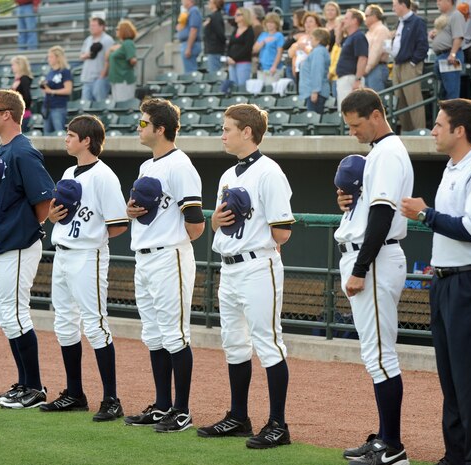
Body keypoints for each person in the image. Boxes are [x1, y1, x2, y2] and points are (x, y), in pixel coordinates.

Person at [400, 98, 471, 465]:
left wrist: (425, 214)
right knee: (450, 377)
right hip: (443, 281)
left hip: (470, 282)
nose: (433, 130)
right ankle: (455, 455)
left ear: (460, 130)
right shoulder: (452, 166)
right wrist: (428, 214)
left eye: (439, 125)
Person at [197, 103, 295, 449]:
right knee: (235, 344)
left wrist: (259, 236)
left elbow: (283, 231)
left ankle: (278, 425)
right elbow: (216, 222)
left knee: (268, 343)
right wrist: (214, 222)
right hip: (230, 266)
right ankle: (239, 416)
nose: (222, 134)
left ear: (247, 132)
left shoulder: (270, 172)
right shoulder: (228, 175)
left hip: (258, 265)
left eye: (227, 128)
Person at [336, 89, 414, 465]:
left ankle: (393, 447)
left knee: (381, 356)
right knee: (375, 354)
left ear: (376, 114)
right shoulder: (379, 153)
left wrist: (360, 268)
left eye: (356, 124)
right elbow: (372, 207)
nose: (353, 132)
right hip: (375, 257)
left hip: (377, 260)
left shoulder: (387, 152)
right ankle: (384, 438)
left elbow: (382, 215)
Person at [41, 114, 129, 422]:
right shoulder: (69, 170)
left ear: (86, 140)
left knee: (95, 324)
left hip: (87, 256)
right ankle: (75, 393)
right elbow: (59, 214)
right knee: (64, 324)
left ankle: (111, 399)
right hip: (62, 252)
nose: (65, 138)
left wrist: (92, 235)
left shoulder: (104, 176)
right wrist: (53, 218)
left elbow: (118, 224)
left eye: (70, 134)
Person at [124, 98, 205, 433]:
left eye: (144, 123)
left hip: (170, 255)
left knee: (174, 334)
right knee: (154, 335)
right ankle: (161, 406)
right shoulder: (148, 166)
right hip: (144, 255)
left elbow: (196, 223)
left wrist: (172, 239)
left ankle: (181, 410)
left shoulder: (180, 165)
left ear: (160, 128)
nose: (139, 128)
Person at [0, 89, 54, 409]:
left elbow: (44, 201)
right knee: (7, 318)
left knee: (16, 316)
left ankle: (34, 388)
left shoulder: (22, 151)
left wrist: (23, 230)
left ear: (7, 114)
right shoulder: (2, 150)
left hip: (16, 245)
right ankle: (23, 384)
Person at [390, 0, 428, 132]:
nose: (393, 8)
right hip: (398, 65)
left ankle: (420, 132)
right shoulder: (400, 22)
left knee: (414, 101)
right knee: (401, 102)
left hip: (409, 65)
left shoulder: (417, 21)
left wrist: (413, 63)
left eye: (395, 5)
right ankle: (406, 132)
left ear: (403, 5)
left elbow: (423, 45)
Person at [430, 0, 465, 100]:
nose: (437, 2)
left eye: (440, 0)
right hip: (441, 56)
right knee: (443, 93)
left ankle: (453, 115)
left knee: (451, 92)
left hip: (450, 56)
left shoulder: (456, 15)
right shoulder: (443, 17)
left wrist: (453, 54)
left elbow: (458, 36)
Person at [335, 9, 368, 111]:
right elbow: (338, 42)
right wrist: (340, 29)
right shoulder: (350, 37)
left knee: (350, 111)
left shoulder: (358, 36)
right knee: (345, 110)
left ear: (354, 21)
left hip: (351, 78)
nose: (343, 21)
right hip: (345, 78)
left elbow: (362, 58)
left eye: (346, 18)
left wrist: (357, 80)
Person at [80, 17, 114, 102]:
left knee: (100, 104)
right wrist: (87, 55)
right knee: (86, 106)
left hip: (99, 78)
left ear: (101, 26)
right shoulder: (88, 40)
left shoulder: (107, 40)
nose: (91, 28)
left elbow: (109, 58)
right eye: (91, 25)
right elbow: (81, 55)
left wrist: (103, 75)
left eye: (94, 25)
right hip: (87, 78)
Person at [41, 45, 72, 135]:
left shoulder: (65, 71)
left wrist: (52, 91)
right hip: (47, 106)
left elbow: (68, 90)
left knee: (59, 133)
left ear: (58, 58)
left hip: (58, 107)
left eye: (51, 57)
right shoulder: (50, 72)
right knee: (46, 135)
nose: (49, 59)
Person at [299, 27, 331, 114]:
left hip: (316, 93)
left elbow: (317, 71)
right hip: (313, 92)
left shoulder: (318, 52)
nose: (310, 41)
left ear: (318, 40)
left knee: (314, 118)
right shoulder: (318, 51)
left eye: (312, 38)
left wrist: (315, 91)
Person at [105, 19, 138, 104]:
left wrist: (132, 61)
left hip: (124, 79)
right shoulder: (122, 44)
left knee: (124, 104)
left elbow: (133, 60)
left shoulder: (128, 43)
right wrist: (111, 49)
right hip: (116, 79)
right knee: (118, 104)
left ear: (124, 31)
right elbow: (106, 58)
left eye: (118, 29)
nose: (116, 31)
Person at [253, 12, 285, 86]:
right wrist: (263, 42)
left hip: (273, 68)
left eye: (272, 23)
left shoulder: (279, 36)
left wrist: (274, 66)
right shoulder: (263, 35)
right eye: (268, 22)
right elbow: (255, 49)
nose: (269, 24)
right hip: (262, 68)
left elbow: (279, 52)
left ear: (276, 24)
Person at [226, 8, 256, 88]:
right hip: (232, 63)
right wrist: (229, 57)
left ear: (244, 16)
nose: (235, 16)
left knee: (242, 86)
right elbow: (230, 45)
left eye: (238, 15)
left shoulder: (249, 31)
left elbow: (247, 48)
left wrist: (235, 58)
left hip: (243, 62)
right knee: (233, 86)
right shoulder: (235, 30)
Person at [364, 5, 390, 93]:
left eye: (366, 16)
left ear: (374, 16)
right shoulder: (369, 31)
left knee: (375, 99)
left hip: (376, 68)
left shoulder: (381, 30)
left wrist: (366, 69)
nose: (365, 18)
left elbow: (376, 52)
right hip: (369, 69)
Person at [10, 55, 34, 133]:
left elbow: (27, 97)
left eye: (13, 65)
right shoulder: (17, 79)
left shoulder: (24, 79)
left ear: (19, 66)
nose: (12, 67)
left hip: (23, 114)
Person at [178, 0, 202, 73]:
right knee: (188, 71)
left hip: (191, 44)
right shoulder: (188, 12)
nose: (182, 1)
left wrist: (189, 48)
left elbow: (193, 30)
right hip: (187, 44)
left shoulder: (193, 11)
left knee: (190, 72)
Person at [203, 0, 227, 73]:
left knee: (214, 73)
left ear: (215, 4)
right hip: (212, 48)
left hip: (215, 49)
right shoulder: (213, 16)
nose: (208, 3)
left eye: (210, 2)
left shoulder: (216, 17)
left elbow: (220, 33)